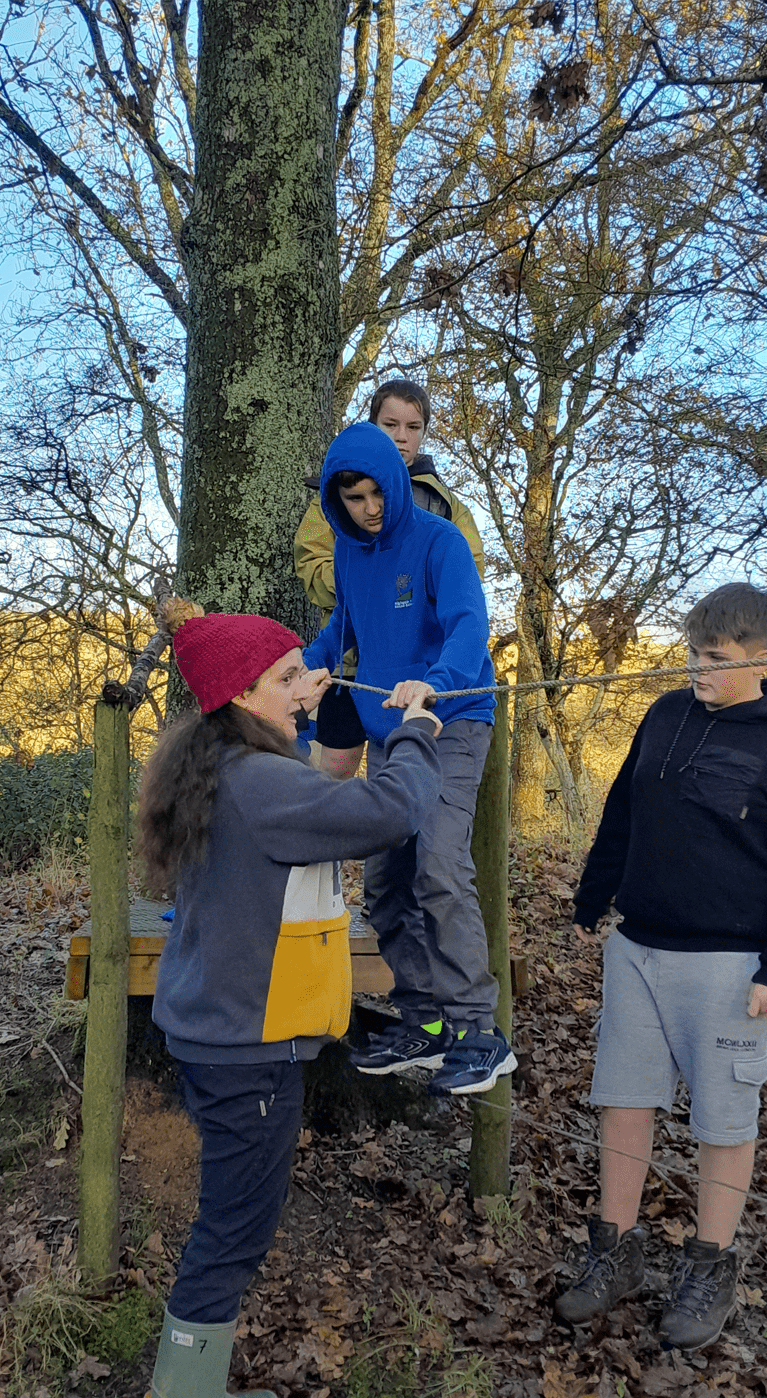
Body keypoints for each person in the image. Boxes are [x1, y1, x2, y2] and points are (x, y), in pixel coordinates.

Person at [138, 600, 443, 1398]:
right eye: (288, 676)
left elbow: (313, 779)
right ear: (240, 695)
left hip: (223, 1034)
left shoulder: (227, 768)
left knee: (231, 1226)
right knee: (230, 1237)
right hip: (247, 1047)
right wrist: (414, 729)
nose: (308, 685)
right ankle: (182, 1392)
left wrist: (314, 703)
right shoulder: (261, 783)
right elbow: (391, 812)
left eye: (303, 671)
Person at [555, 582, 767, 1350]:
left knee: (721, 1120)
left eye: (713, 657)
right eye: (690, 654)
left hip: (728, 966)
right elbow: (621, 813)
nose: (696, 670)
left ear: (761, 657)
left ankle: (709, 1267)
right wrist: (591, 898)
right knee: (622, 1101)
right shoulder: (664, 715)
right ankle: (614, 1253)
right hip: (637, 948)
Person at [302, 419, 516, 1097]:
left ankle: (479, 1032)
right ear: (338, 501)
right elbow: (341, 628)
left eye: (377, 493)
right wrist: (306, 668)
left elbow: (468, 627)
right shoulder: (347, 552)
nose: (369, 508)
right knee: (387, 882)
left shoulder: (438, 541)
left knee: (438, 865)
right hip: (389, 735)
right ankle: (425, 1023)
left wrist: (436, 683)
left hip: (451, 720)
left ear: (396, 483)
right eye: (354, 498)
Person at [293, 378, 484, 779]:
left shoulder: (445, 512)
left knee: (433, 812)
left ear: (425, 432)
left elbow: (467, 605)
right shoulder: (333, 506)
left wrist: (437, 675)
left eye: (413, 427)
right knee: (332, 779)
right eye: (390, 425)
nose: (401, 437)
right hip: (351, 676)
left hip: (433, 688)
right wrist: (304, 665)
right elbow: (325, 584)